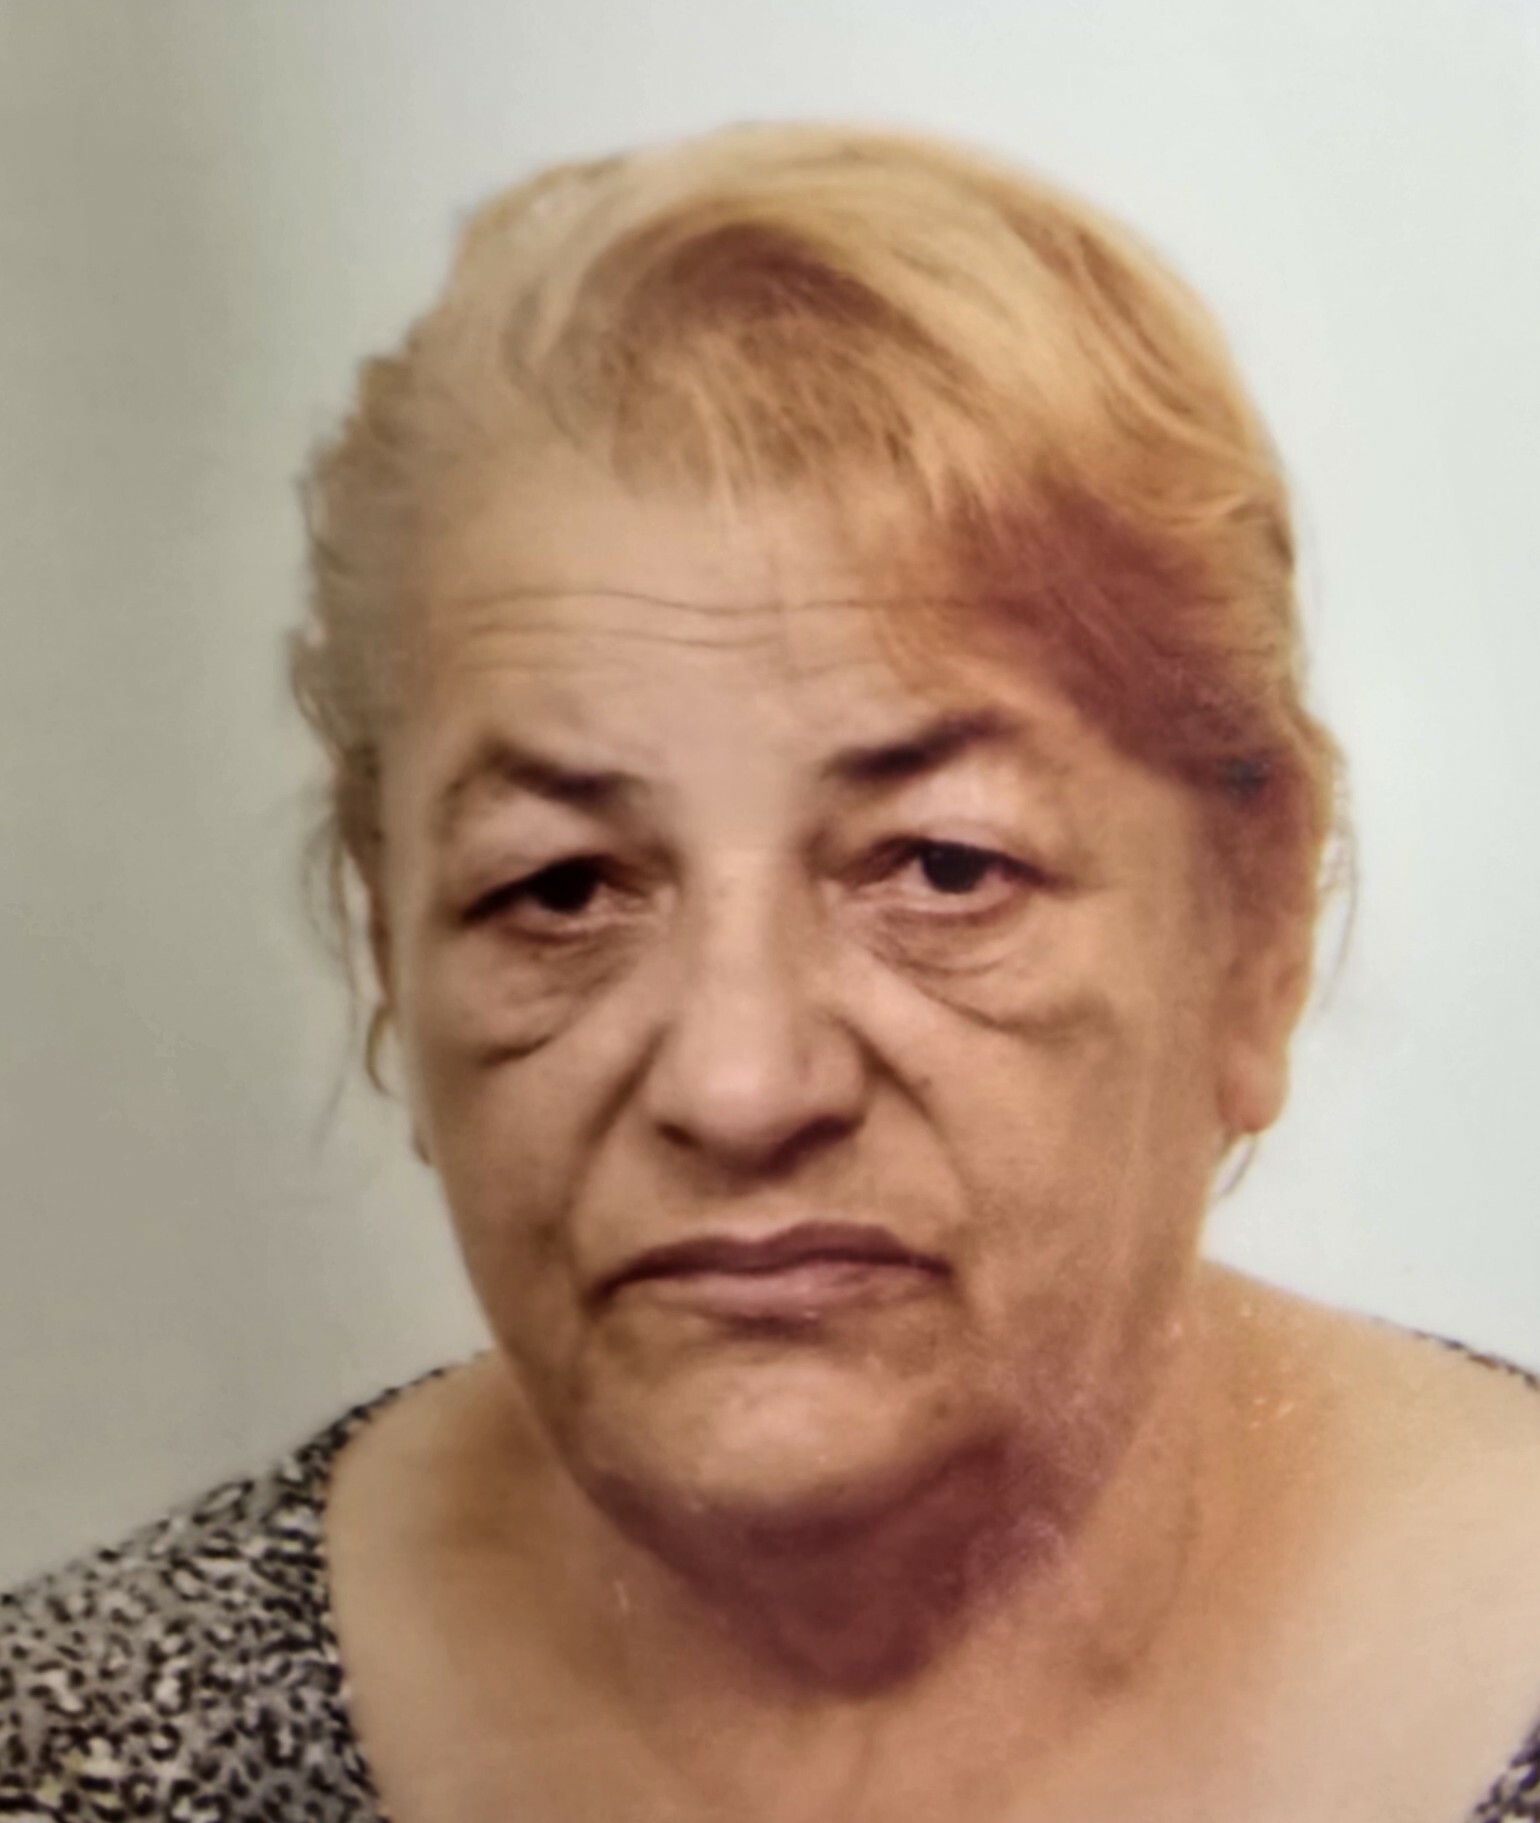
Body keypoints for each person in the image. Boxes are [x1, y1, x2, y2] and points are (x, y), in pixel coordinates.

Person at [3, 118, 1539, 1823]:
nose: (739, 1089)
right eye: (561, 888)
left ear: (1255, 930)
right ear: (390, 946)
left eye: (943, 868)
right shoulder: (70, 1754)